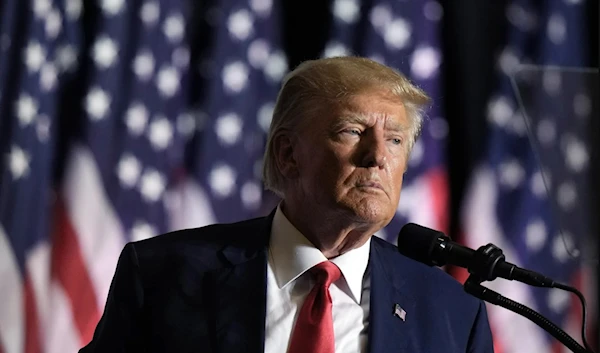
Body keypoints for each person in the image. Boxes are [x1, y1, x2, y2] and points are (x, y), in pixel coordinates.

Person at [80, 56, 494, 353]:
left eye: (396, 140)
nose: (378, 156)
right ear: (288, 155)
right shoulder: (163, 274)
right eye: (353, 131)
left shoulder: (450, 311)